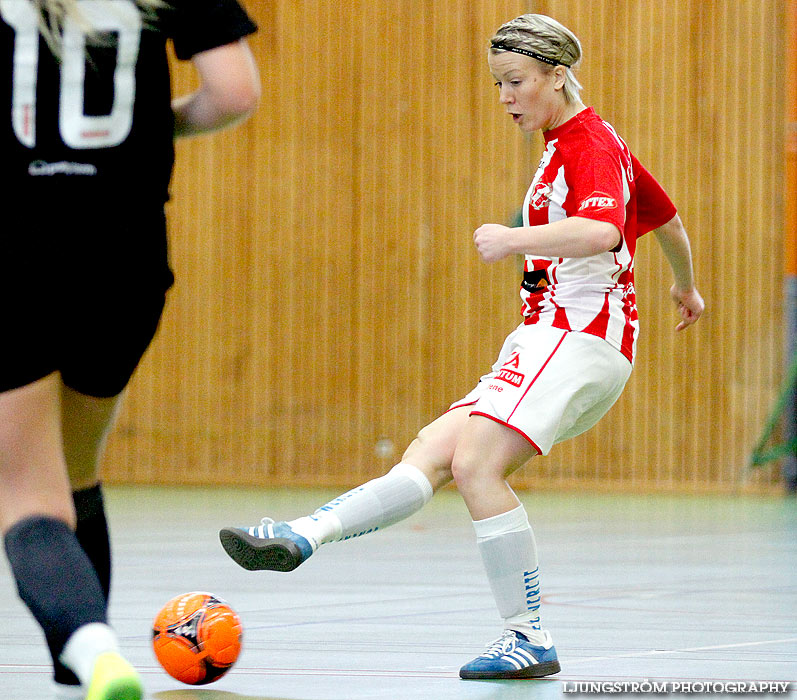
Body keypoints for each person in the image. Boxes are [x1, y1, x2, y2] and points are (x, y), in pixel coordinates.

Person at [220, 13, 704, 680]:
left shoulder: (586, 144)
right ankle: (304, 535)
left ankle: (528, 635)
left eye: (515, 82)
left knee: (477, 464)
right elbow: (664, 215)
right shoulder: (584, 143)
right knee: (433, 455)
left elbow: (599, 233)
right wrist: (686, 288)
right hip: (547, 336)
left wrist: (511, 240)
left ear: (557, 76)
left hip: (576, 333)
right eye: (497, 84)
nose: (504, 96)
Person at [0, 1, 259, 699]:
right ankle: (75, 667)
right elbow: (234, 93)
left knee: (24, 491)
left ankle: (91, 651)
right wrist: (152, 128)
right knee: (77, 465)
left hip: (17, 250)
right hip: (127, 257)